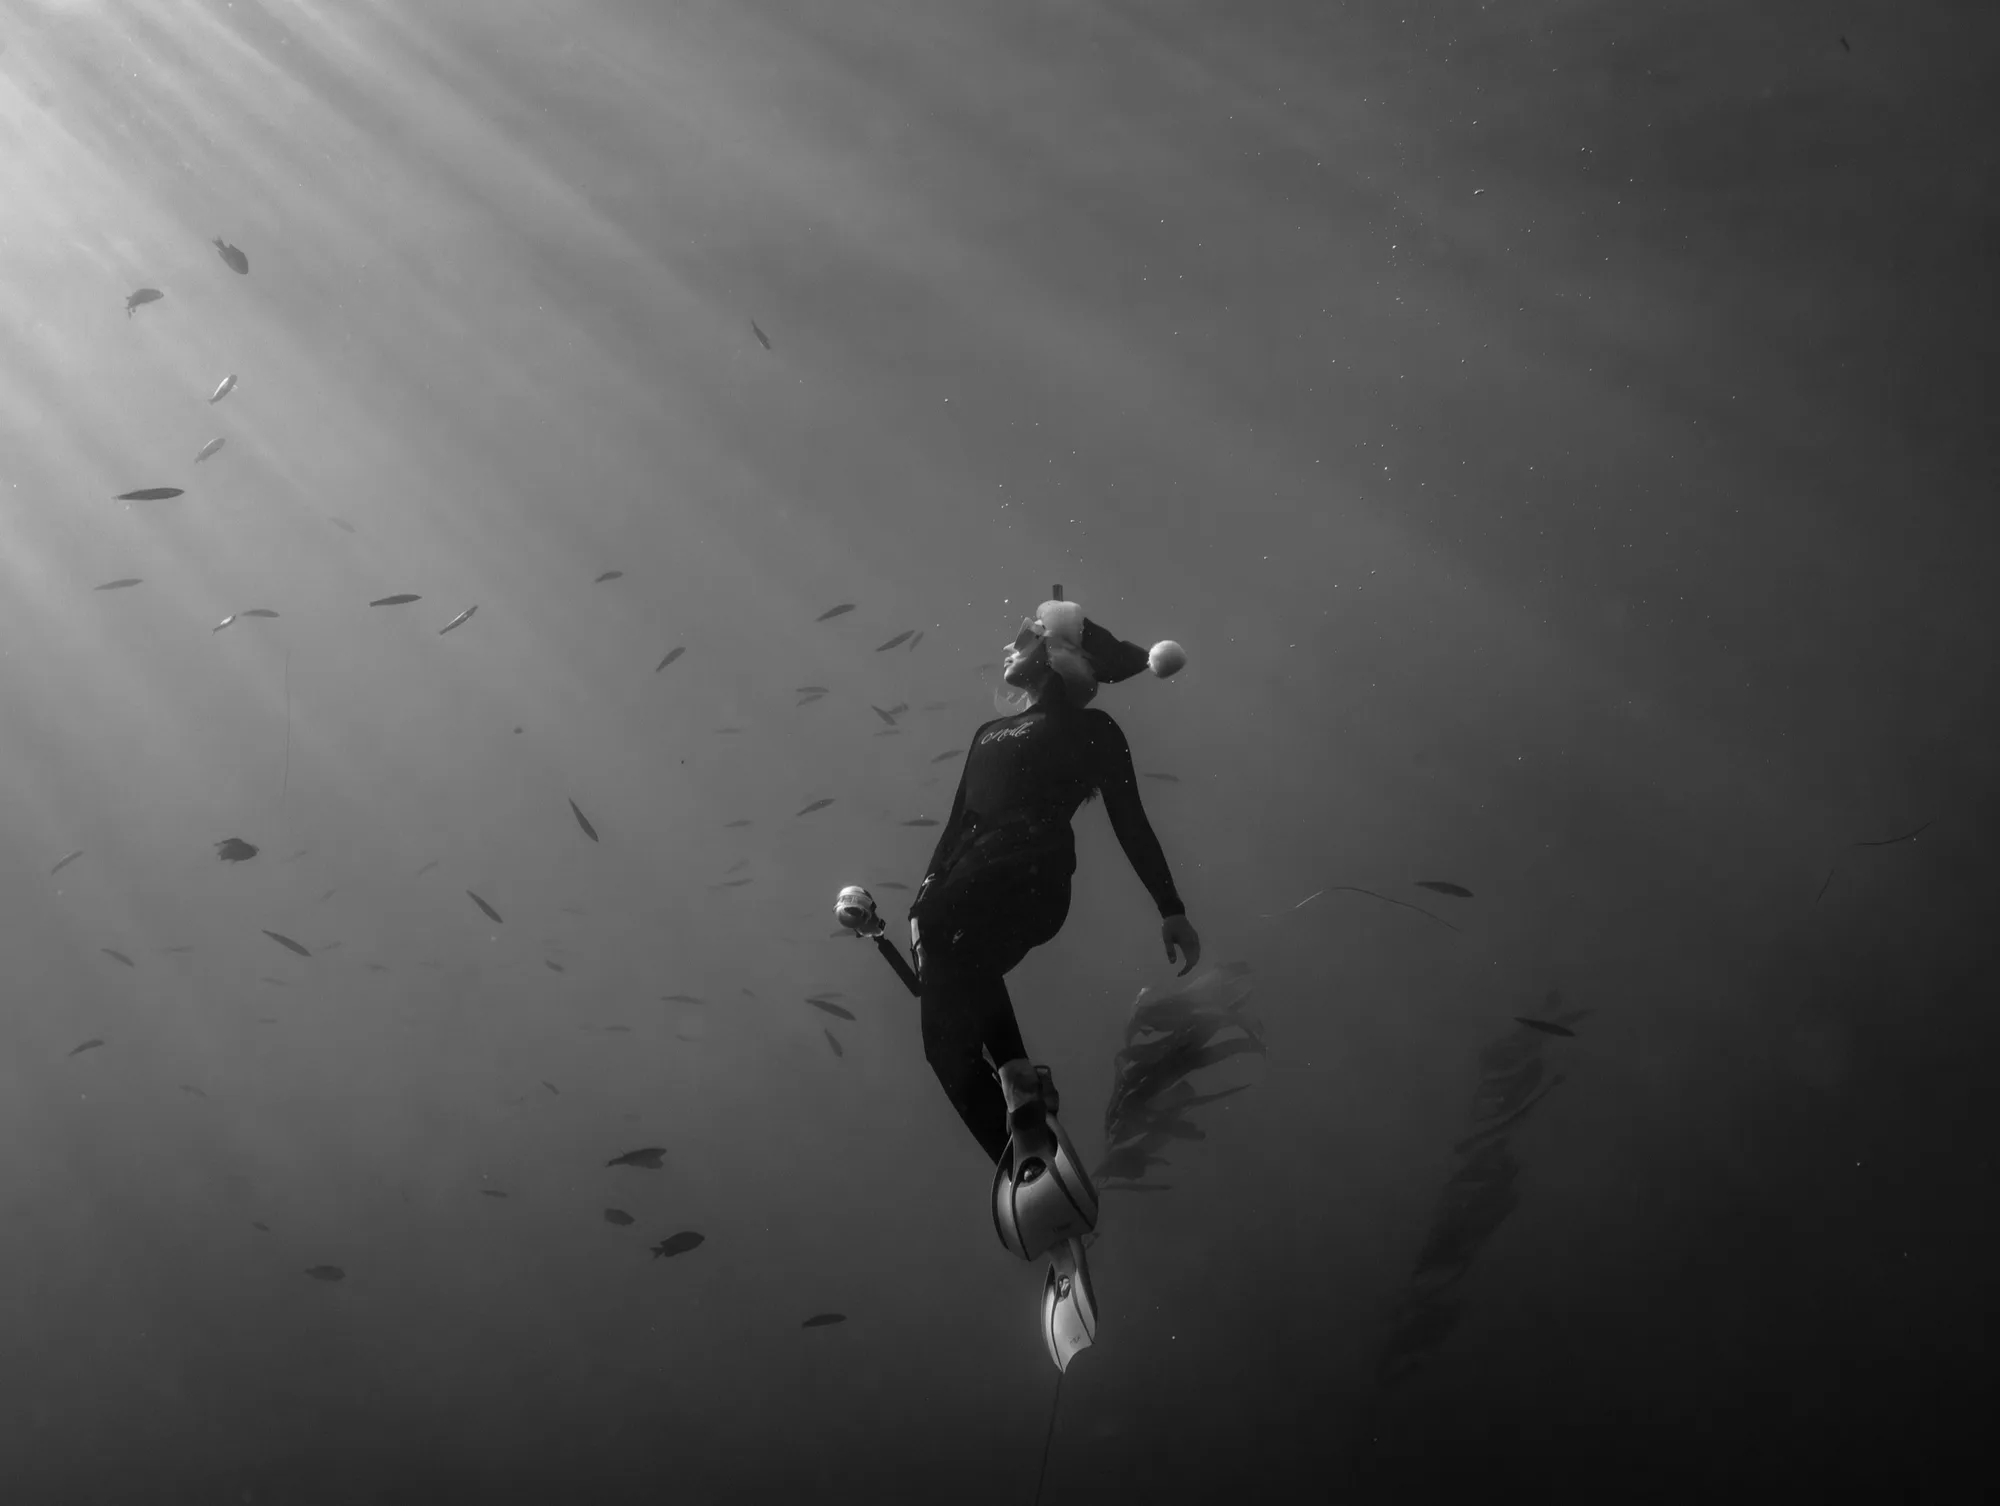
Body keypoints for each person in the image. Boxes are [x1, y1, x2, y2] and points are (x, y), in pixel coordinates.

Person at [909, 595, 1200, 1173]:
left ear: (1058, 652)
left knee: (958, 972)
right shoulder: (988, 733)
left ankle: (1019, 1085)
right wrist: (920, 906)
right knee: (944, 1046)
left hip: (1023, 876)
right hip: (970, 898)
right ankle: (1025, 1153)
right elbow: (955, 829)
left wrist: (1171, 906)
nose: (1010, 645)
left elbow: (1131, 821)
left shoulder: (1093, 729)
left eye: (1026, 636)